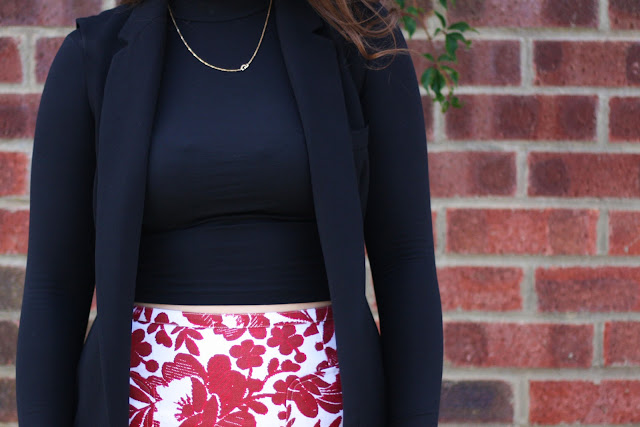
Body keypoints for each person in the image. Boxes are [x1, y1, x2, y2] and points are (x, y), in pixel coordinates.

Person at [15, 0, 443, 425]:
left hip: (322, 408)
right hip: (148, 407)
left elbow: (404, 260)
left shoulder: (364, 42)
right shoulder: (94, 56)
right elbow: (55, 287)